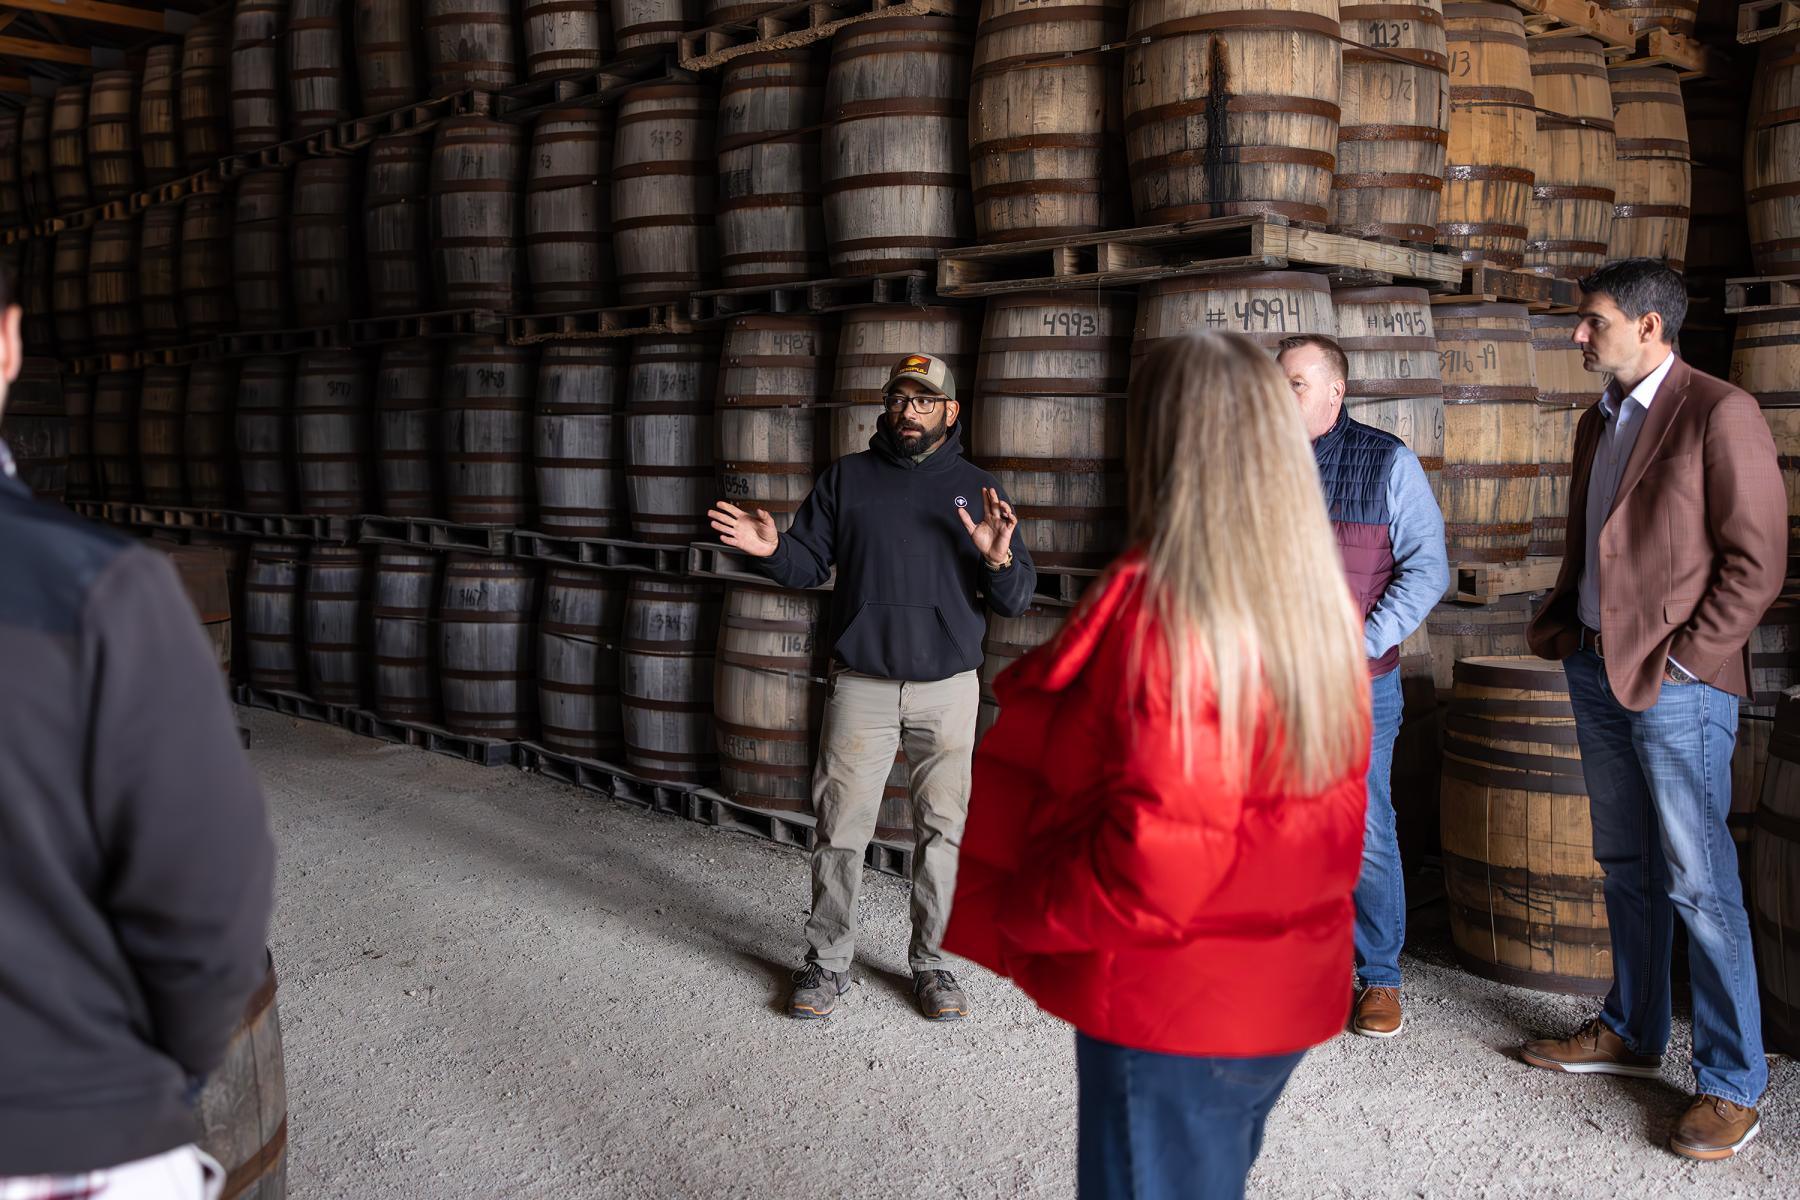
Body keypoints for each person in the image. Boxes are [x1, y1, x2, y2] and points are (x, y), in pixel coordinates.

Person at [943, 332, 1372, 1200]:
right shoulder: (1312, 601)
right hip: (1271, 990)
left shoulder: (1175, 616)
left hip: (1174, 1005)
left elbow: (1156, 867)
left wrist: (1028, 903)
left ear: (1159, 442)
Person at [0, 270, 277, 1196]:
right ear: (8, 345)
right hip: (65, 1134)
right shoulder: (99, 590)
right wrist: (156, 1084)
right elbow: (212, 897)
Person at [1521, 259, 1786, 1161]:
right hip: (1595, 666)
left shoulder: (1719, 411)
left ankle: (1732, 1083)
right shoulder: (1598, 420)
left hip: (1677, 685)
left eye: (1592, 321)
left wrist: (1687, 661)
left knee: (1699, 882)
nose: (1578, 334)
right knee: (1625, 864)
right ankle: (1633, 1030)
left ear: (1648, 326)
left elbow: (1758, 561)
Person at [707, 352, 1037, 1021]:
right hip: (862, 685)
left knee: (944, 830)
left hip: (947, 688)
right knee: (840, 827)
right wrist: (773, 550)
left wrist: (999, 557)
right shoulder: (847, 479)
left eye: (924, 401)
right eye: (898, 399)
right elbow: (808, 564)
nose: (908, 412)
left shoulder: (977, 489)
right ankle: (827, 962)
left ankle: (933, 963)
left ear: (950, 411)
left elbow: (1016, 599)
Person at [1277, 334, 1449, 1038]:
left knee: (1366, 828)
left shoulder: (1387, 462)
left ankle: (1379, 975)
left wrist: (1362, 640)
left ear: (1334, 391)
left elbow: (1427, 569)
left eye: (1293, 383)